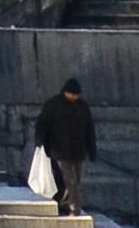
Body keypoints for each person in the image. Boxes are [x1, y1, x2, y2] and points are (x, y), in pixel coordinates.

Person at [33, 79, 96, 217]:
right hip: (59, 150)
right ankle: (75, 208)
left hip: (78, 150)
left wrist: (92, 150)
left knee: (76, 179)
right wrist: (40, 141)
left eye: (76, 95)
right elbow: (42, 124)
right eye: (72, 94)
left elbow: (89, 130)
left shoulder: (83, 107)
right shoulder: (53, 105)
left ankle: (64, 203)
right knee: (70, 180)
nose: (74, 97)